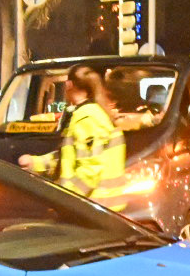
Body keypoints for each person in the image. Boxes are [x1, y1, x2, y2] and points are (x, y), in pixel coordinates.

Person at [19, 66, 127, 211]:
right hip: (99, 209)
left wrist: (65, 200)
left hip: (96, 211)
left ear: (68, 85)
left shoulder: (87, 117)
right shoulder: (91, 113)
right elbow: (70, 156)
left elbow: (90, 169)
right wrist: (35, 163)